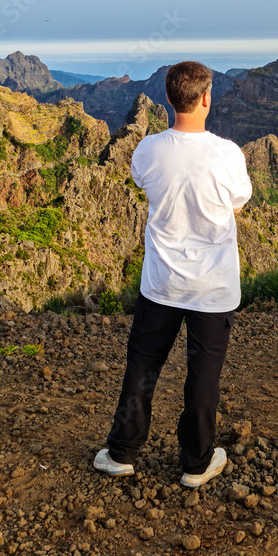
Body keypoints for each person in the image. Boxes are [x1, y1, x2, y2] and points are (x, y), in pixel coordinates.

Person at [93, 60, 252, 488]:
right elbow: (238, 203)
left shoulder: (147, 149)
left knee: (142, 366)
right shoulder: (228, 154)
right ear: (206, 98)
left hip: (161, 283)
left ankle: (122, 453)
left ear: (167, 98)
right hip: (214, 289)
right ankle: (196, 464)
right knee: (204, 375)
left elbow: (145, 182)